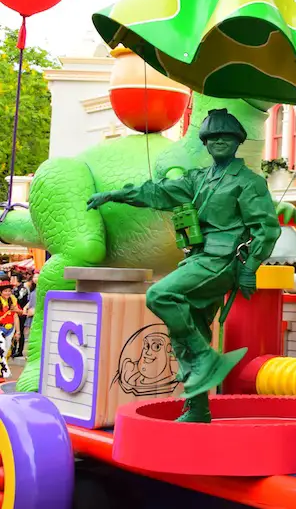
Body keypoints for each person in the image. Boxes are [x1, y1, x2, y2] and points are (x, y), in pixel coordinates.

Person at [87, 109, 282, 423]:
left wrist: (249, 268)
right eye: (212, 137)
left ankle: (205, 357)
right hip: (198, 258)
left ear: (237, 141)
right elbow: (157, 192)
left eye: (226, 136)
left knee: (160, 295)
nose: (219, 141)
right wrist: (115, 195)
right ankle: (198, 408)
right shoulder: (198, 179)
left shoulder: (248, 182)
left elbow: (266, 228)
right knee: (189, 334)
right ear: (205, 143)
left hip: (223, 261)